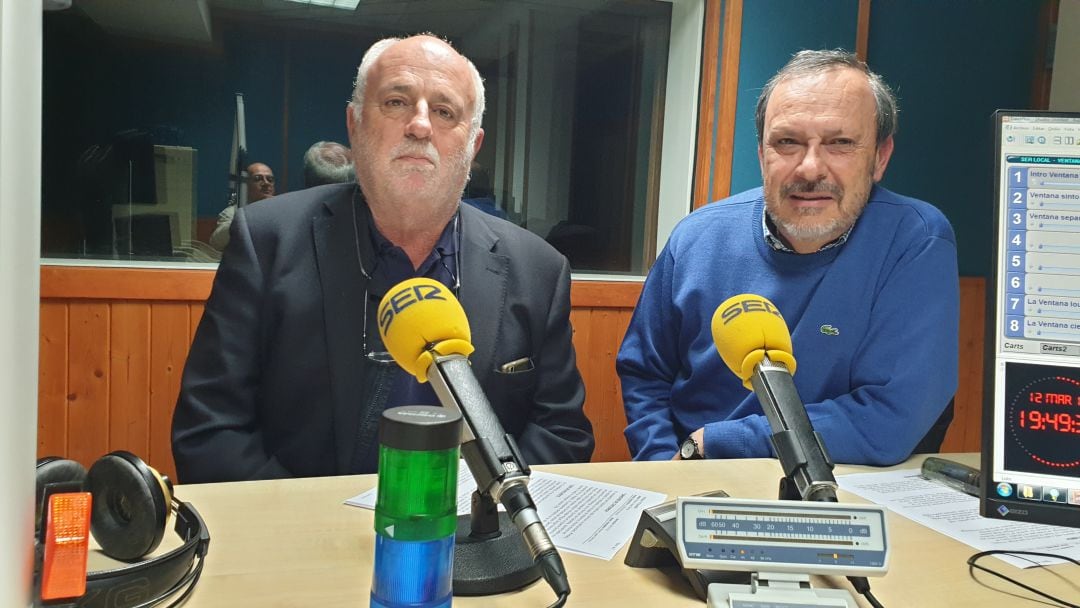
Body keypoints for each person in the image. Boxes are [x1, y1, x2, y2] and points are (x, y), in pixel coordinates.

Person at [172, 35, 594, 483]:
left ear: (473, 145)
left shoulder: (539, 270)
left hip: (471, 538)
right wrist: (316, 531)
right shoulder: (266, 241)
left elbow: (562, 434)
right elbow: (210, 430)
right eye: (396, 102)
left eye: (445, 112)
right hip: (305, 537)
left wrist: (466, 518)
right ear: (354, 125)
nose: (420, 126)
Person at [618, 50, 958, 466]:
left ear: (880, 158)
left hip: (841, 490)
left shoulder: (915, 240)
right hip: (690, 477)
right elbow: (645, 375)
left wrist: (718, 443)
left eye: (840, 143)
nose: (810, 168)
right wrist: (664, 467)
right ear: (762, 154)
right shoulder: (696, 237)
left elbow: (888, 418)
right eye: (787, 142)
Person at [209, 162, 275, 251]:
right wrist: (250, 215)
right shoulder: (233, 212)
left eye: (270, 179)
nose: (266, 183)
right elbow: (216, 242)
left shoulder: (283, 211)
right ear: (245, 184)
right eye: (258, 178)